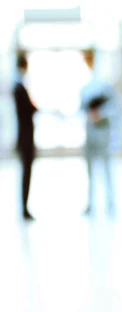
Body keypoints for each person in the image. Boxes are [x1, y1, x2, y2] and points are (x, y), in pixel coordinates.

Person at [80, 48, 121, 216]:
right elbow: (81, 108)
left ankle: (110, 203)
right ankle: (91, 204)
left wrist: (100, 114)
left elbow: (115, 107)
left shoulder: (104, 84)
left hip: (103, 131)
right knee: (90, 170)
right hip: (90, 131)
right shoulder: (85, 85)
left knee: (106, 169)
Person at [13, 51, 37, 221]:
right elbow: (30, 109)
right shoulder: (19, 88)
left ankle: (25, 207)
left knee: (26, 173)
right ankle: (24, 208)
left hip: (25, 136)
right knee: (26, 173)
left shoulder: (19, 87)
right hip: (25, 137)